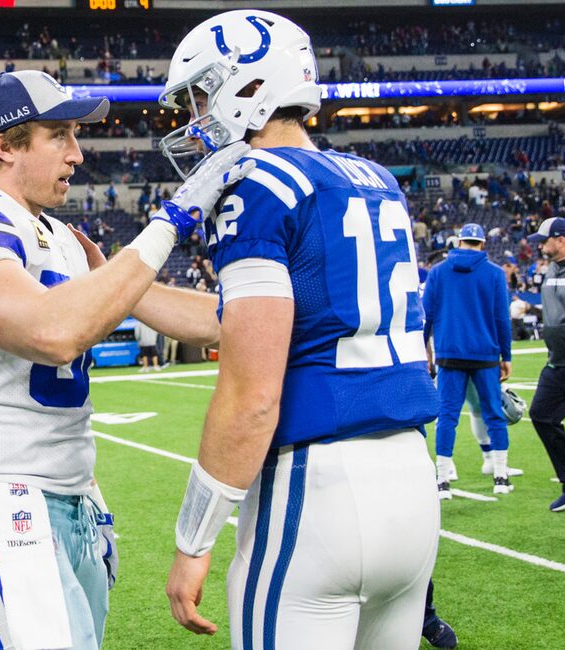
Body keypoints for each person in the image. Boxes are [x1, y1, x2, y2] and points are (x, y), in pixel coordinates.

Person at [0, 69, 252, 650]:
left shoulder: (66, 239)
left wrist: (269, 302)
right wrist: (171, 221)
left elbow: (183, 313)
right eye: (60, 135)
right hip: (2, 491)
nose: (78, 153)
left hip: (72, 501)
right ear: (5, 144)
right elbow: (52, 334)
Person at [161, 11, 444, 649]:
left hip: (317, 490)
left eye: (202, 94)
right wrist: (126, 291)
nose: (196, 115)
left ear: (249, 86)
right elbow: (262, 323)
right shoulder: (374, 180)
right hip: (411, 483)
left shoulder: (258, 185)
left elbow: (252, 394)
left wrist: (193, 540)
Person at [422, 223, 513, 498]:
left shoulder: (437, 273)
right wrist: (506, 355)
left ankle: (442, 481)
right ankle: (500, 476)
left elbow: (427, 316)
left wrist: (424, 350)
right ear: (482, 243)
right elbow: (501, 318)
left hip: (449, 352)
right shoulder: (495, 274)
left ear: (459, 242)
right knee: (494, 414)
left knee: (447, 417)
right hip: (485, 353)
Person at [526, 217, 565, 512]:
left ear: (561, 239)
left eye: (544, 240)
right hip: (557, 362)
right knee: (541, 415)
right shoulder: (552, 266)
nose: (540, 246)